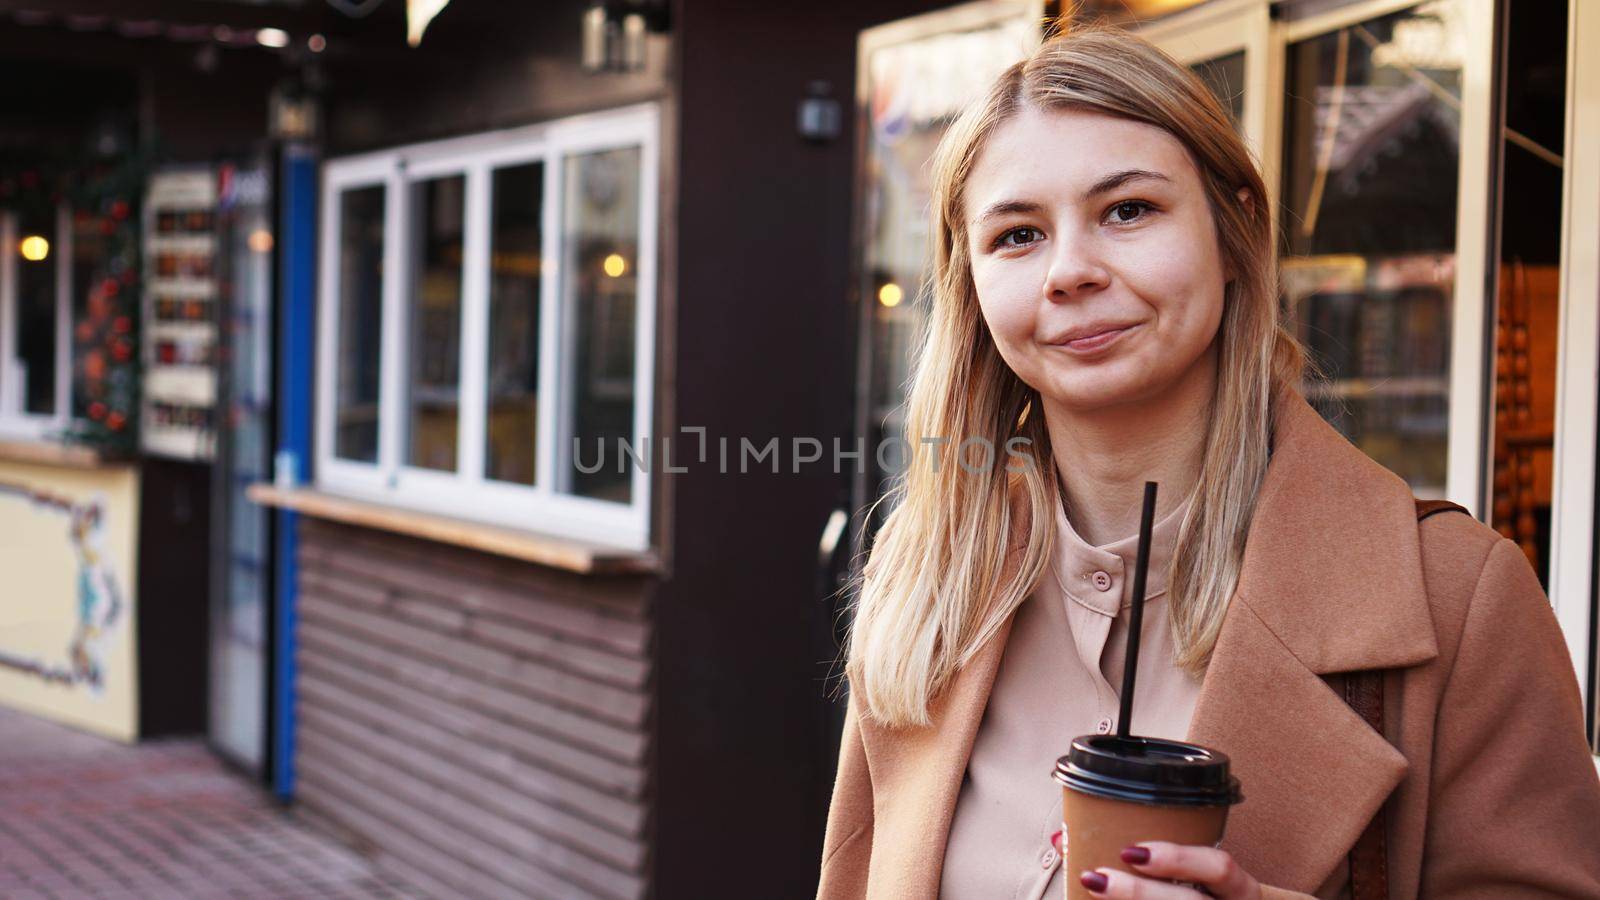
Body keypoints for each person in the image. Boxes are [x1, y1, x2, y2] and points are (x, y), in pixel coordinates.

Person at [816, 24, 1600, 900]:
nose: (1070, 270)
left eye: (1128, 210)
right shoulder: (924, 577)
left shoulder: (1461, 601)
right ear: (972, 286)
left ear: (1235, 234)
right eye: (1017, 235)